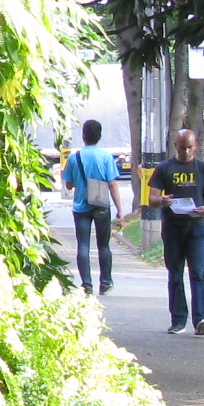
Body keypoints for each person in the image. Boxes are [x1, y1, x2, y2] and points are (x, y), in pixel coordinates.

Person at [147, 128, 204, 336]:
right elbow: (151, 199)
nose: (186, 152)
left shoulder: (203, 169)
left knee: (198, 274)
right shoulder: (165, 168)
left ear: (196, 145)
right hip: (173, 229)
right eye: (182, 148)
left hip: (197, 228)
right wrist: (161, 200)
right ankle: (178, 320)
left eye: (190, 148)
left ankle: (201, 319)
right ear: (176, 146)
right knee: (175, 274)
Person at [62, 118, 125, 295]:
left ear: (83, 136)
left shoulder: (75, 158)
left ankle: (87, 284)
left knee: (83, 245)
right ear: (99, 136)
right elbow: (112, 184)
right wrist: (120, 210)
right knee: (103, 245)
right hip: (102, 206)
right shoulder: (105, 157)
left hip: (81, 207)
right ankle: (105, 282)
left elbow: (68, 184)